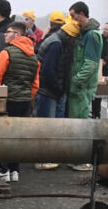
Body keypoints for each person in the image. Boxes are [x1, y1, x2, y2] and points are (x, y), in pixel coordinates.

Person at [0, 22, 39, 183]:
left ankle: (3, 169)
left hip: (8, 99)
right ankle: (15, 170)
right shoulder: (33, 56)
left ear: (17, 35)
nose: (5, 34)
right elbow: (36, 84)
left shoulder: (6, 53)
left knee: (3, 134)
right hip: (25, 101)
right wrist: (26, 95)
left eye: (8, 32)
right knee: (17, 135)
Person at [33, 19, 78, 170]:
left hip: (53, 89)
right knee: (46, 126)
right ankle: (41, 160)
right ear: (70, 36)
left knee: (51, 125)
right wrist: (58, 89)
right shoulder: (56, 44)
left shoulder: (57, 40)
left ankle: (50, 157)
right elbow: (48, 70)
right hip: (48, 91)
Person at [66, 2, 104, 170]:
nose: (73, 20)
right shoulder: (83, 34)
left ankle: (80, 160)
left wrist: (76, 80)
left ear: (82, 14)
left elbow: (90, 63)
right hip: (78, 87)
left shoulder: (92, 35)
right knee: (75, 123)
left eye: (74, 16)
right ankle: (75, 158)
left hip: (82, 87)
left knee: (80, 124)